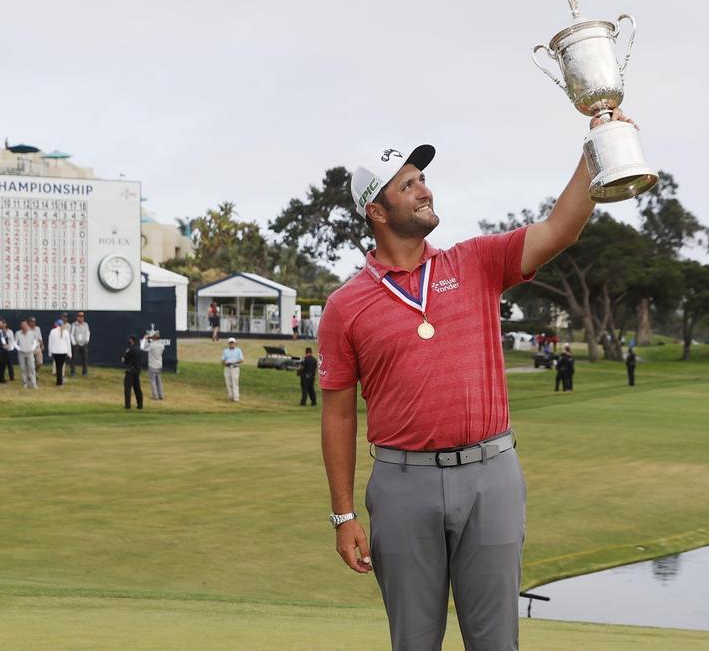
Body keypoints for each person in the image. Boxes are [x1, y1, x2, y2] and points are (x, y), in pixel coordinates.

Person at [319, 119, 631, 649]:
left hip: (492, 476)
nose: (425, 189)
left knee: (496, 642)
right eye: (408, 183)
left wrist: (596, 145)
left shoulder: (476, 262)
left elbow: (562, 228)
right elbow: (338, 414)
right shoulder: (345, 305)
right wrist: (343, 514)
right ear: (376, 210)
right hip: (401, 483)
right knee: (415, 642)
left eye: (423, 178)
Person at [140, 330, 170, 400]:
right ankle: (161, 395)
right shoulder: (161, 345)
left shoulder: (151, 345)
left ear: (153, 337)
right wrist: (150, 338)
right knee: (159, 380)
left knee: (153, 381)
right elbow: (153, 341)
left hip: (152, 365)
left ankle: (155, 396)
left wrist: (145, 339)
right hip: (159, 365)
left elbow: (142, 347)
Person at [121, 335, 144, 409]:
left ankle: (127, 405)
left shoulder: (131, 349)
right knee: (137, 388)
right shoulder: (139, 349)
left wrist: (124, 360)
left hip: (130, 370)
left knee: (127, 388)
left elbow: (125, 358)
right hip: (137, 370)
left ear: (132, 340)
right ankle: (140, 405)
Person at [15, 320, 38, 389]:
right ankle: (25, 383)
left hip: (30, 353)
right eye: (22, 326)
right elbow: (15, 343)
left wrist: (32, 348)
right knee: (23, 368)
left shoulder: (32, 333)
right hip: (21, 353)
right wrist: (19, 349)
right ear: (21, 327)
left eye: (25, 326)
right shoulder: (18, 333)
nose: (24, 327)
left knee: (32, 368)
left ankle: (33, 383)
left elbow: (35, 342)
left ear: (27, 326)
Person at [48, 319, 71, 386]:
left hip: (55, 352)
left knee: (58, 367)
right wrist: (70, 353)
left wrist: (50, 352)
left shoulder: (52, 331)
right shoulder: (66, 332)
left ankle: (59, 381)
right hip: (63, 352)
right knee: (60, 367)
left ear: (56, 324)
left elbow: (50, 342)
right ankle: (59, 382)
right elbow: (68, 343)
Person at [221, 337, 243, 402]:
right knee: (228, 383)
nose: (231, 344)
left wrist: (234, 363)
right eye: (230, 343)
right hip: (227, 368)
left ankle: (236, 398)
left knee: (235, 383)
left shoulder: (238, 350)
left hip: (235, 367)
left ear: (235, 343)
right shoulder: (225, 351)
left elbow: (241, 360)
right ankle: (230, 397)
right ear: (228, 344)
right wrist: (225, 363)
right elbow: (223, 360)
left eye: (233, 343)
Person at [71, 311, 91, 377]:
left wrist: (87, 340)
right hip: (76, 344)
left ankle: (85, 373)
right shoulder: (74, 324)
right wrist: (74, 343)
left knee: (85, 359)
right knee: (74, 359)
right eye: (80, 317)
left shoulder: (86, 324)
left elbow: (88, 333)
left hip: (84, 344)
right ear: (77, 317)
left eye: (82, 317)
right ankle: (73, 373)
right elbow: (71, 334)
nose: (81, 318)